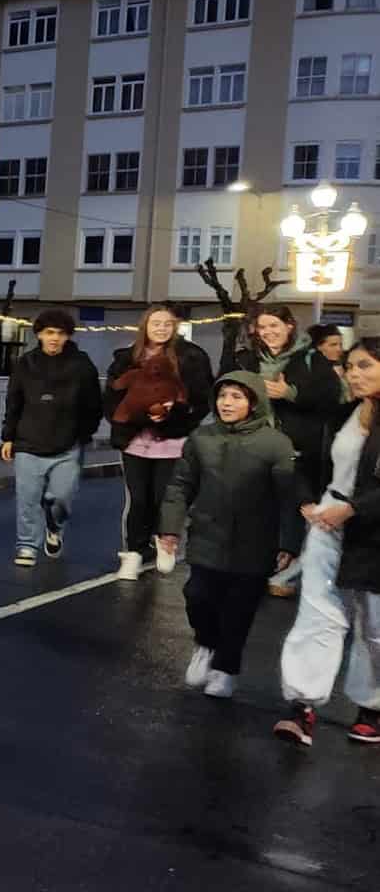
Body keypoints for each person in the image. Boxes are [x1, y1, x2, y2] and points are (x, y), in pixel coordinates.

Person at [158, 372, 300, 699]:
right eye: (223, 396)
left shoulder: (275, 442)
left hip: (255, 541)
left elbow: (288, 496)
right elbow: (181, 485)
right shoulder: (202, 438)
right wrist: (170, 527)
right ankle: (206, 644)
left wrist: (288, 542)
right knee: (197, 596)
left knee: (239, 609)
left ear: (253, 402)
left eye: (237, 396)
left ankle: (226, 669)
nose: (227, 403)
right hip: (208, 534)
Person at [273, 338, 380, 747]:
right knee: (317, 615)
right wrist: (306, 500)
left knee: (375, 625)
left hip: (373, 532)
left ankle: (371, 706)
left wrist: (353, 509)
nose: (355, 373)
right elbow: (311, 462)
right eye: (351, 366)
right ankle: (301, 706)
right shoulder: (343, 415)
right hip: (328, 524)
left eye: (366, 365)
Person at [235, 305, 343, 596]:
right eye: (263, 327)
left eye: (275, 325)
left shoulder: (309, 358)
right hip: (255, 444)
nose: (269, 332)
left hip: (298, 446)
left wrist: (290, 393)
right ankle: (259, 563)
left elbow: (332, 398)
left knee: (293, 506)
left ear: (289, 326)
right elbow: (226, 391)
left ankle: (288, 566)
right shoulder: (247, 359)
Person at [104, 306, 213, 580]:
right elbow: (113, 394)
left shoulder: (191, 356)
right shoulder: (126, 358)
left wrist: (173, 415)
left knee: (166, 497)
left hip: (173, 440)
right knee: (138, 498)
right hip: (134, 440)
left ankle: (165, 541)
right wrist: (134, 417)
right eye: (156, 323)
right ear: (145, 326)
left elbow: (201, 399)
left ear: (174, 326)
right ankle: (133, 552)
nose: (161, 328)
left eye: (167, 323)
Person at [1, 309, 102, 567]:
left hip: (67, 445)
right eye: (49, 333)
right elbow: (14, 401)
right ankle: (26, 545)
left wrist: (83, 433)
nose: (54, 338)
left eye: (59, 333)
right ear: (39, 335)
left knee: (61, 497)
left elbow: (94, 403)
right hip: (28, 443)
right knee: (27, 499)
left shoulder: (81, 365)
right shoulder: (25, 363)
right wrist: (8, 437)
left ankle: (54, 527)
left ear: (67, 336)